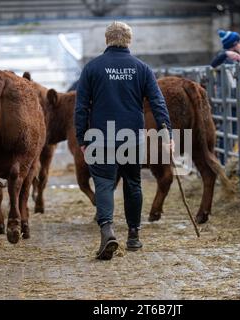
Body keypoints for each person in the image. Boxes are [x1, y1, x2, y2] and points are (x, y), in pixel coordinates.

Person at [75, 21, 172, 260]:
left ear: (107, 40)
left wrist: (81, 137)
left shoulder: (92, 68)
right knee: (133, 183)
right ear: (129, 40)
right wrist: (165, 130)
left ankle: (107, 230)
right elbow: (157, 102)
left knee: (105, 183)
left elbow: (81, 107)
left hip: (100, 137)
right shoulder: (142, 68)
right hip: (132, 137)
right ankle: (134, 236)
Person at [210, 29, 240, 164]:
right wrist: (225, 53)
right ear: (235, 44)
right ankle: (224, 163)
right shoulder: (224, 58)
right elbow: (213, 63)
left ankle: (226, 161)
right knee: (227, 133)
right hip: (228, 102)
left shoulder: (232, 60)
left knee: (231, 134)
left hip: (233, 102)